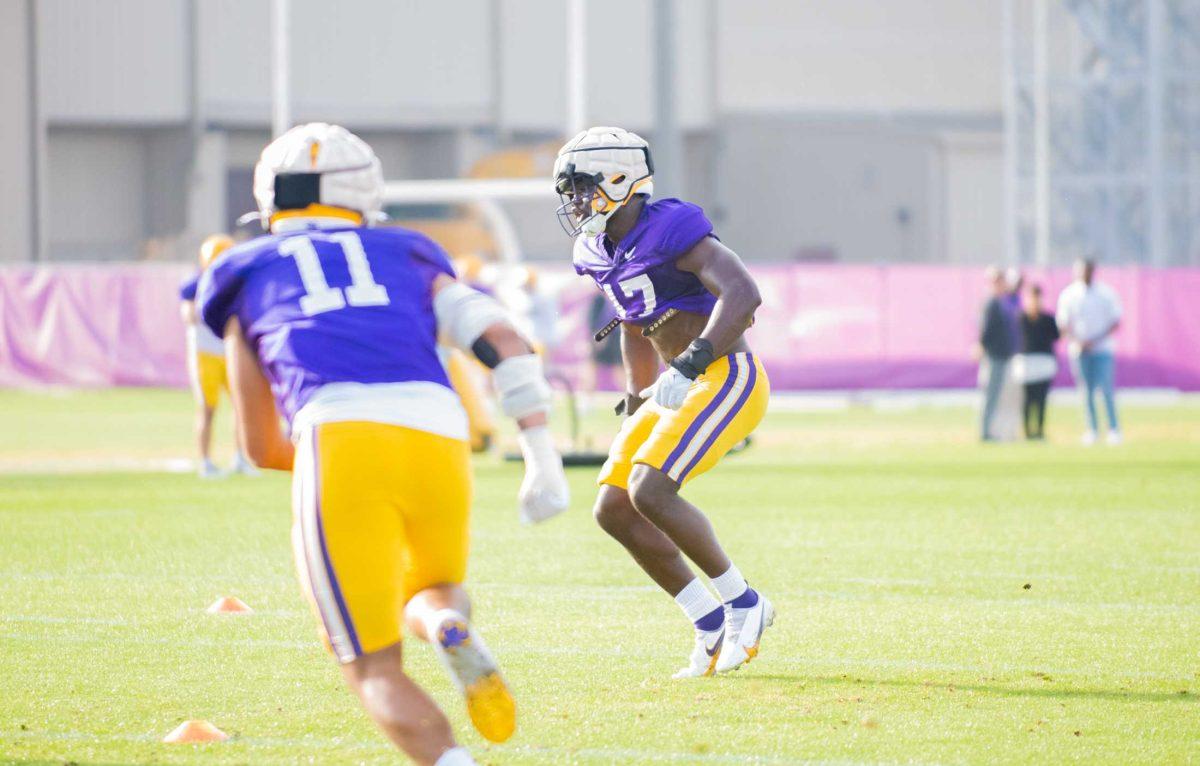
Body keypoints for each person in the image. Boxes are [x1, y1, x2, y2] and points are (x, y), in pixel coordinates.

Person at [196, 123, 569, 766]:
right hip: (440, 432)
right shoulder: (409, 252)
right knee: (436, 587)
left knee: (370, 664)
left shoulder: (244, 269)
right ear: (362, 192)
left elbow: (257, 445)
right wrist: (540, 454)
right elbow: (502, 339)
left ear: (271, 196)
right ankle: (445, 626)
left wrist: (327, 471)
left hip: (338, 434)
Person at [554, 126, 772, 678]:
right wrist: (635, 395)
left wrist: (690, 363)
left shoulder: (672, 227)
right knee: (613, 508)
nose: (576, 201)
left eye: (583, 186)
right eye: (571, 190)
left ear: (620, 180)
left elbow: (743, 295)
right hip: (671, 385)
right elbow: (632, 322)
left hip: (725, 374)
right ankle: (707, 621)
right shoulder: (597, 249)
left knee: (651, 488)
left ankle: (744, 603)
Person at [178, 235, 256, 478]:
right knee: (208, 408)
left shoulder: (237, 286)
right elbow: (189, 316)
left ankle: (242, 458)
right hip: (205, 354)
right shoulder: (195, 286)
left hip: (231, 352)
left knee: (241, 408)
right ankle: (205, 462)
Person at [1056, 258, 1123, 445]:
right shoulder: (1069, 294)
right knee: (1086, 391)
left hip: (1102, 349)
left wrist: (1095, 340)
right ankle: (1092, 429)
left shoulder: (1105, 293)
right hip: (1079, 350)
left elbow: (1115, 321)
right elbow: (1063, 324)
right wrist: (1077, 341)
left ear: (1093, 271)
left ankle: (1114, 429)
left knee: (1106, 389)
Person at [1016, 283, 1060, 440]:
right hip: (1026, 362)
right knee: (1027, 399)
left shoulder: (1048, 318)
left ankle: (1040, 431)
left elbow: (1057, 336)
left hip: (1043, 362)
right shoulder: (1021, 318)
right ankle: (1027, 432)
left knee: (1041, 399)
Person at [976, 267, 1014, 441]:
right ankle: (985, 431)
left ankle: (990, 429)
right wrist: (981, 346)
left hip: (1001, 355)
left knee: (996, 395)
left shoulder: (1001, 302)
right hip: (994, 356)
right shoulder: (991, 303)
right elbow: (986, 330)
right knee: (990, 394)